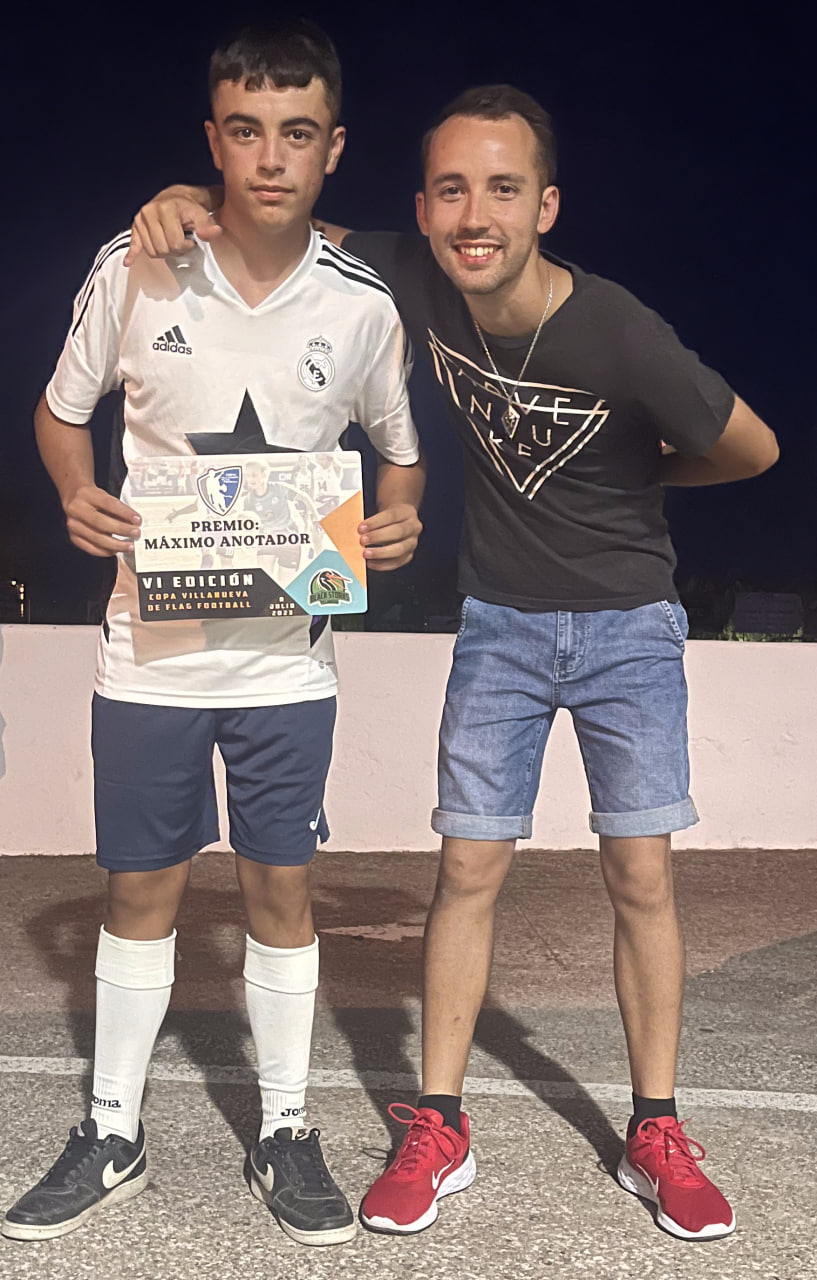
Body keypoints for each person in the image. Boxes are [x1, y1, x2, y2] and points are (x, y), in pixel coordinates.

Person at [123, 83, 779, 1243]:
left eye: (504, 189)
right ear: (423, 209)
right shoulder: (417, 277)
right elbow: (282, 218)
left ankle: (657, 1129)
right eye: (452, 190)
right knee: (466, 867)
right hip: (500, 625)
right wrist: (187, 200)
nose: (476, 214)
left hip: (627, 624)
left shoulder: (618, 329)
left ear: (546, 205)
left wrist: (644, 471)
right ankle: (439, 1123)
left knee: (640, 874)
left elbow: (753, 447)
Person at [1, 21, 424, 1248]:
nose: (270, 158)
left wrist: (396, 520)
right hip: (149, 655)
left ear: (333, 147)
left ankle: (285, 1127)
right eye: (246, 131)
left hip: (290, 660)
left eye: (297, 133)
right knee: (140, 888)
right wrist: (74, 490)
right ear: (213, 141)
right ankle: (112, 1130)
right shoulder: (136, 267)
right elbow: (59, 411)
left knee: (280, 887)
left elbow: (398, 451)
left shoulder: (362, 307)